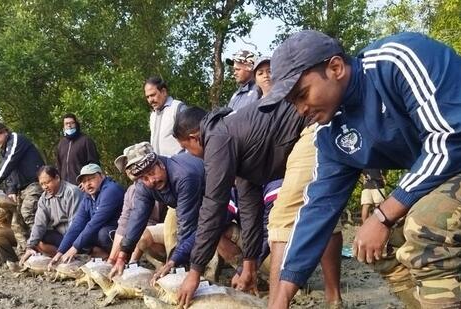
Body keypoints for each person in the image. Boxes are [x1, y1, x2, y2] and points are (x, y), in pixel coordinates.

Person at [259, 30, 461, 308]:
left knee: (425, 224)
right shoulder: (331, 132)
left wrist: (382, 215)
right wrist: (281, 297)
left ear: (335, 67)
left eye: (302, 94)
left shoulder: (395, 61)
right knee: (377, 246)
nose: (300, 110)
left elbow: (451, 139)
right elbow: (317, 210)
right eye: (293, 103)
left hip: (458, 153)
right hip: (449, 174)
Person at [174, 102, 344, 307]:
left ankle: (276, 305)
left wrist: (195, 271)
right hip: (319, 123)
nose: (189, 154)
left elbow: (213, 207)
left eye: (186, 147)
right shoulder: (233, 136)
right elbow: (249, 208)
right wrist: (249, 264)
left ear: (194, 137)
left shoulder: (217, 139)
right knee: (322, 212)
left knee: (280, 220)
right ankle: (333, 299)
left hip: (313, 126)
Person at [109, 142, 204, 281]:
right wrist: (122, 255)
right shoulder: (145, 185)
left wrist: (177, 263)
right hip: (185, 205)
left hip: (218, 203)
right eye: (144, 178)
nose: (151, 181)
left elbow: (187, 225)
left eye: (152, 173)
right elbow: (137, 217)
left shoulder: (183, 176)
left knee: (193, 235)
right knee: (172, 236)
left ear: (160, 163)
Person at [0, 118, 44, 251]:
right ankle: (27, 255)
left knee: (28, 213)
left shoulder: (16, 139)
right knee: (16, 224)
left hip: (35, 183)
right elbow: (10, 172)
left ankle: (44, 248)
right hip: (20, 189)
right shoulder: (4, 150)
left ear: (4, 131)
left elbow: (9, 163)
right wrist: (11, 190)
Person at [144, 76, 186, 263]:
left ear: (163, 91)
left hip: (179, 172)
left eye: (153, 95)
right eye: (147, 97)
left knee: (176, 222)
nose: (151, 100)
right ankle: (175, 263)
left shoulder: (177, 108)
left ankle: (178, 264)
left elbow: (188, 139)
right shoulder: (153, 115)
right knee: (169, 223)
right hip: (159, 176)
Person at [49, 163, 124, 266]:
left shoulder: (111, 190)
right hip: (101, 230)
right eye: (84, 181)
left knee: (102, 234)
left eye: (91, 179)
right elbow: (77, 224)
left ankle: (122, 259)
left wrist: (74, 248)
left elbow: (95, 223)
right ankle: (104, 256)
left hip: (119, 232)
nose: (88, 184)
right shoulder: (88, 197)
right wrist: (60, 252)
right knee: (79, 235)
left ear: (102, 176)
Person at [19, 166, 82, 265]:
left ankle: (71, 256)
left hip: (76, 236)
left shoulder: (72, 192)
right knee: (39, 239)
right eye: (42, 184)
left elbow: (75, 225)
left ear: (57, 178)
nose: (44, 187)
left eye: (47, 182)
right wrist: (29, 247)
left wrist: (65, 248)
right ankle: (62, 258)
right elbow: (39, 224)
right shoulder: (44, 198)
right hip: (60, 236)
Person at [56, 113, 101, 185]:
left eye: (72, 123)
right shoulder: (61, 144)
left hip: (82, 186)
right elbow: (59, 166)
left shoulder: (86, 140)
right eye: (66, 124)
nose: (69, 126)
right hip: (66, 188)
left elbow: (94, 164)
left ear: (76, 124)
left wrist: (87, 182)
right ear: (63, 126)